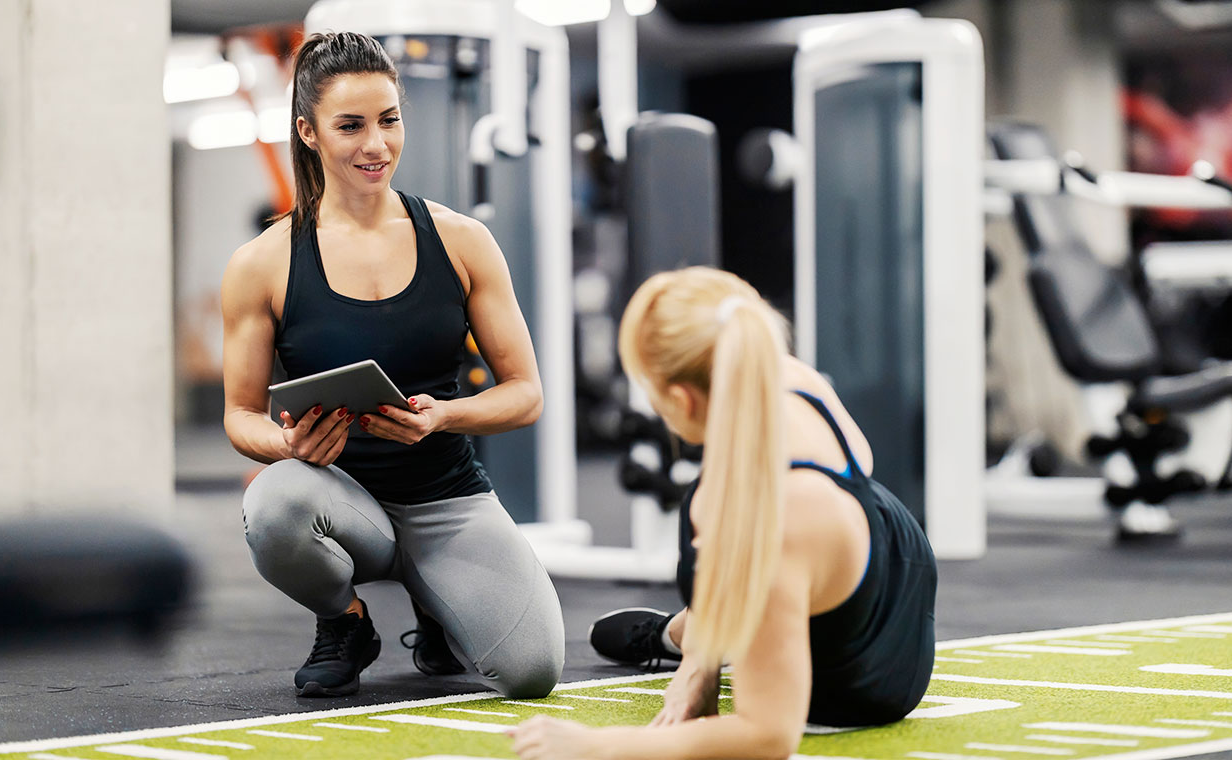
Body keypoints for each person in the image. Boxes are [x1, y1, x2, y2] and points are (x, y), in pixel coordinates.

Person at [220, 31, 563, 699]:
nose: (376, 145)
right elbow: (240, 414)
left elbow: (525, 394)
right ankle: (344, 619)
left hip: (446, 498)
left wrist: (444, 417)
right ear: (309, 132)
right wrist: (286, 444)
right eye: (350, 125)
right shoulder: (263, 262)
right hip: (340, 501)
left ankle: (439, 607)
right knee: (273, 502)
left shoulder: (463, 241)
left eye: (389, 120)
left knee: (532, 673)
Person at [510, 267, 936, 759]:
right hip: (896, 573)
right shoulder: (784, 379)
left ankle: (684, 630)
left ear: (680, 399)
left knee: (712, 512)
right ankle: (686, 639)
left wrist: (598, 746)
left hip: (859, 685)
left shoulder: (772, 518)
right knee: (714, 509)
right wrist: (699, 665)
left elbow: (768, 736)